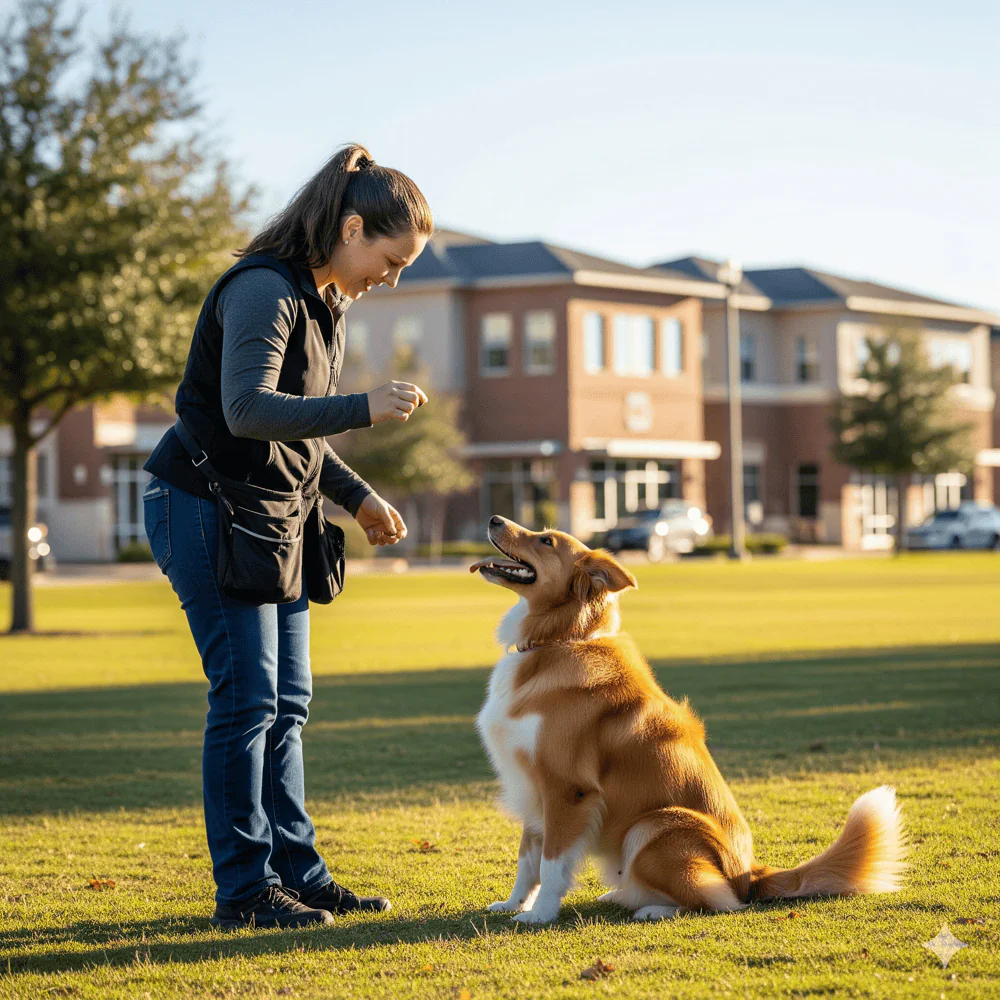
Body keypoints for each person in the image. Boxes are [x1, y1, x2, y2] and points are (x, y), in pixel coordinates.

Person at [142, 144, 431, 930]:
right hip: (201, 506)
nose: (391, 278)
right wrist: (362, 406)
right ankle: (244, 892)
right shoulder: (266, 290)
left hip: (273, 519)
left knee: (288, 702)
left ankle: (296, 875)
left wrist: (359, 495)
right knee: (247, 702)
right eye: (390, 258)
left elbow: (294, 438)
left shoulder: (320, 302)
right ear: (350, 226)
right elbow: (248, 410)